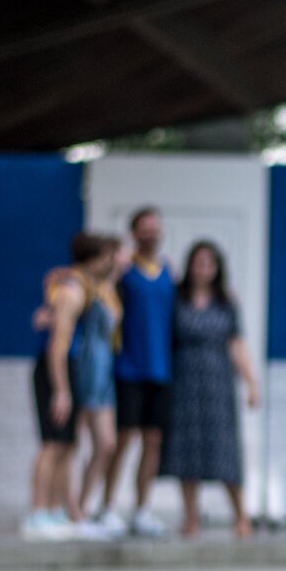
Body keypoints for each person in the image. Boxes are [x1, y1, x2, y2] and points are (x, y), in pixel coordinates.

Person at [160, 241, 259, 538]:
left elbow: (237, 344)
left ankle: (240, 515)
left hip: (217, 383)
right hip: (184, 382)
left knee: (224, 449)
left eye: (209, 264)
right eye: (198, 263)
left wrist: (251, 382)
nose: (203, 269)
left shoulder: (226, 302)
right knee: (186, 450)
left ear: (217, 269)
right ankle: (191, 517)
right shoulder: (177, 300)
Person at [23, 233, 105, 540]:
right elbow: (57, 346)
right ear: (95, 260)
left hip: (69, 368)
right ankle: (38, 510)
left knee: (68, 445)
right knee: (53, 443)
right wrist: (61, 390)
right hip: (55, 370)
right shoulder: (71, 291)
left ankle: (55, 508)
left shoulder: (79, 285)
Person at [100, 206, 174, 537]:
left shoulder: (168, 273)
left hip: (161, 370)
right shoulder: (125, 273)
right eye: (144, 228)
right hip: (129, 367)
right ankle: (106, 506)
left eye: (155, 228)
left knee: (153, 440)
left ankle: (142, 509)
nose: (150, 233)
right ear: (134, 233)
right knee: (123, 438)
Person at [72, 236, 125, 535]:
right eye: (109, 255)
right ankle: (73, 509)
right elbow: (61, 282)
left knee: (106, 444)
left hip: (106, 367)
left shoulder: (108, 288)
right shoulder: (83, 283)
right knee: (77, 440)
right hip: (89, 364)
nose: (115, 260)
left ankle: (84, 503)